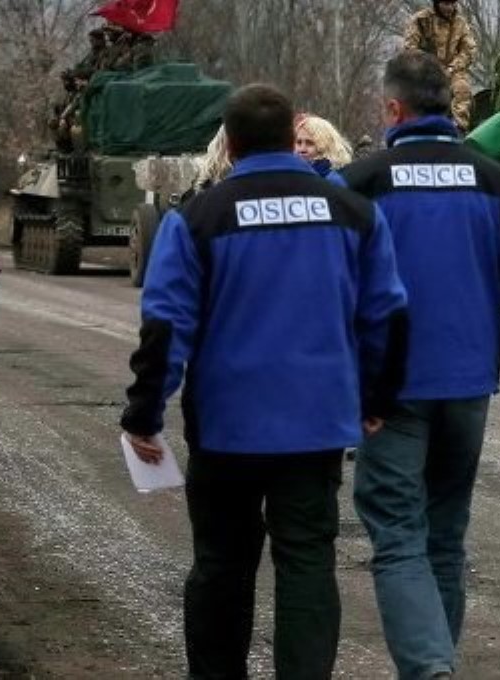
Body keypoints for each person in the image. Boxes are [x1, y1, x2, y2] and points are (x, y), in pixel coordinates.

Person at [120, 83, 410, 679]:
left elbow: (166, 324)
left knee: (221, 565)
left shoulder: (197, 218)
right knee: (307, 561)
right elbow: (387, 312)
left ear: (227, 143)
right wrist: (377, 397)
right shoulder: (354, 214)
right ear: (292, 138)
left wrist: (145, 413)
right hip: (316, 425)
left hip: (227, 428)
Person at [340, 51, 500, 680]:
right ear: (451, 110)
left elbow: (328, 288)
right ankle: (438, 662)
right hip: (468, 386)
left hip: (390, 391)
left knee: (397, 534)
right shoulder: (498, 182)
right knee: (443, 536)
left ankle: (431, 668)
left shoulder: (359, 183)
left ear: (393, 109)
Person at [403, 0, 477, 132]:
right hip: (426, 71)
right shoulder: (422, 20)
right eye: (445, 3)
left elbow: (469, 50)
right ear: (437, 3)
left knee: (462, 88)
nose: (449, 8)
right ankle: (423, 127)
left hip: (453, 70)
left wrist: (452, 67)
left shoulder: (460, 23)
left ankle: (459, 128)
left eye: (452, 3)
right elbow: (410, 48)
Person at [294, 114, 353, 180]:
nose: (302, 149)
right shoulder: (291, 174)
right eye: (299, 142)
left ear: (326, 147)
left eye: (310, 143)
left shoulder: (334, 179)